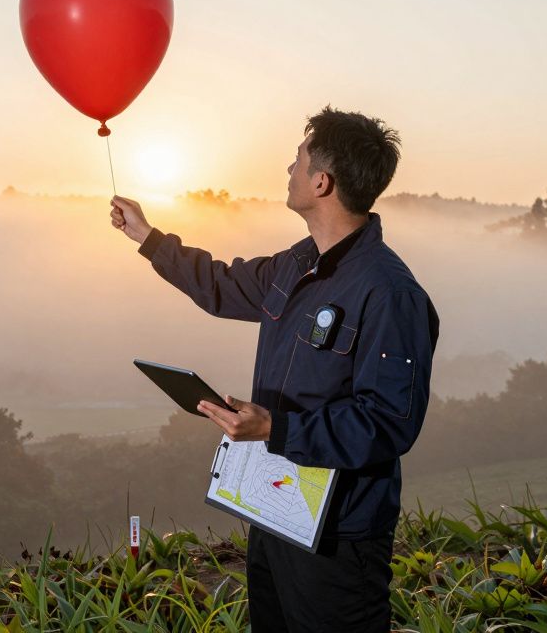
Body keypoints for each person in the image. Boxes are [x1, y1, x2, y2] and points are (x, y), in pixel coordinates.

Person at [108, 105, 440, 632]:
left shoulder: (390, 293)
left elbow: (387, 424)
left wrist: (275, 428)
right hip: (276, 510)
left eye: (298, 159)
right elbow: (221, 286)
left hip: (338, 534)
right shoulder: (297, 263)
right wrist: (148, 239)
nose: (289, 169)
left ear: (323, 181)